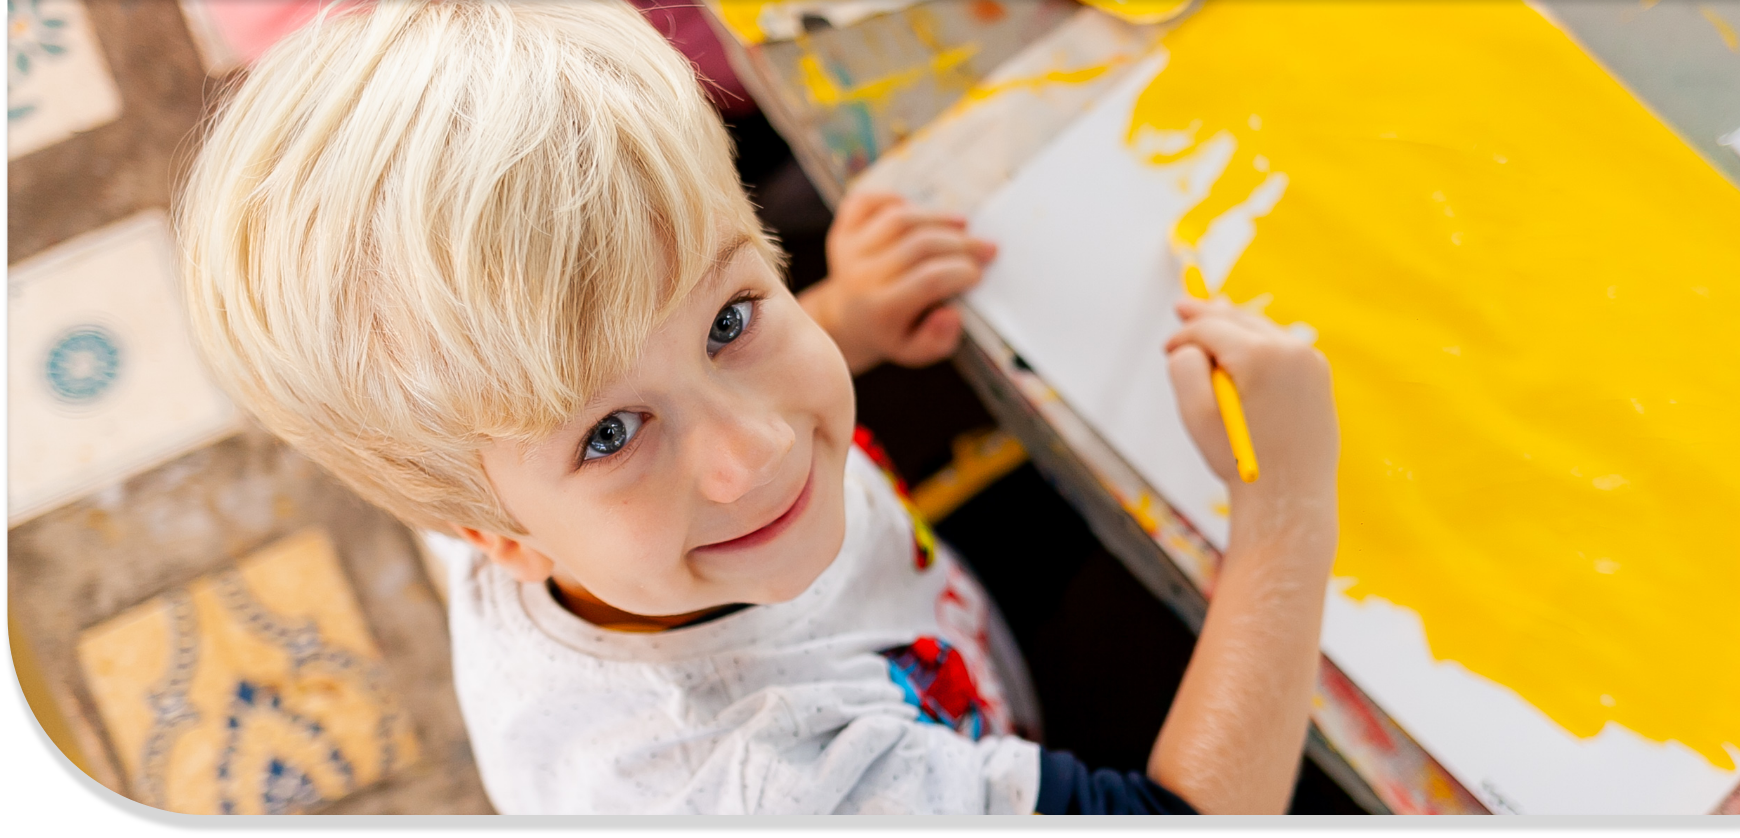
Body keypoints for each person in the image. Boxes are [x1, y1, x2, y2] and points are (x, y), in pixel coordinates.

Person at [175, 0, 1338, 815]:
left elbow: (647, 362)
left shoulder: (512, 461)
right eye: (613, 435)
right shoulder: (773, 777)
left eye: (732, 316)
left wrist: (852, 315)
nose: (759, 446)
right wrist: (1286, 516)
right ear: (491, 536)